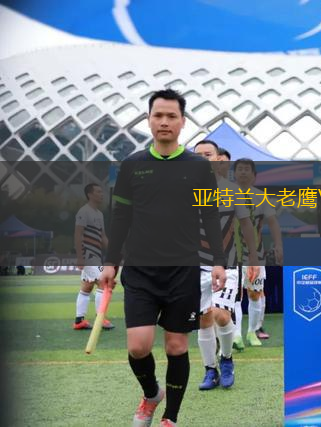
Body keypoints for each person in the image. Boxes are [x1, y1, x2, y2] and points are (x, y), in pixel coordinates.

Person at [100, 89, 227, 427]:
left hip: (183, 270)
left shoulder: (199, 167)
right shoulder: (132, 165)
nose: (165, 121)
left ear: (183, 122)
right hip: (140, 270)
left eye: (172, 116)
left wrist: (218, 260)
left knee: (176, 347)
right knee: (138, 347)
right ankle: (152, 393)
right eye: (158, 115)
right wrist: (110, 261)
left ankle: (170, 418)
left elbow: (210, 215)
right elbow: (120, 217)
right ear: (148, 120)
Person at [193, 141, 259, 390]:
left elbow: (246, 226)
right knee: (204, 318)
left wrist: (254, 258)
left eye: (208, 154)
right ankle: (210, 370)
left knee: (221, 314)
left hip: (228, 263)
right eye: (198, 155)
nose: (203, 159)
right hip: (195, 264)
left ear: (219, 159)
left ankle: (227, 358)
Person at [233, 158, 283, 346]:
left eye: (247, 169)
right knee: (235, 294)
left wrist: (278, 246)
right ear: (234, 174)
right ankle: (236, 335)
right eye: (240, 169)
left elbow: (273, 223)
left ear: (254, 175)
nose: (243, 172)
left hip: (255, 254)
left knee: (255, 293)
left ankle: (252, 332)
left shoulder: (261, 197)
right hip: (231, 254)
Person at [73, 183, 113, 330]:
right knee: (103, 283)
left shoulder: (99, 214)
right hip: (88, 255)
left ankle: (79, 321)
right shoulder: (84, 211)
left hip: (96, 255)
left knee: (87, 287)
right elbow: (78, 234)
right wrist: (80, 257)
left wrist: (113, 252)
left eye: (102, 192)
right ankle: (100, 319)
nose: (101, 194)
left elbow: (102, 236)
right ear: (90, 194)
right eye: (98, 192)